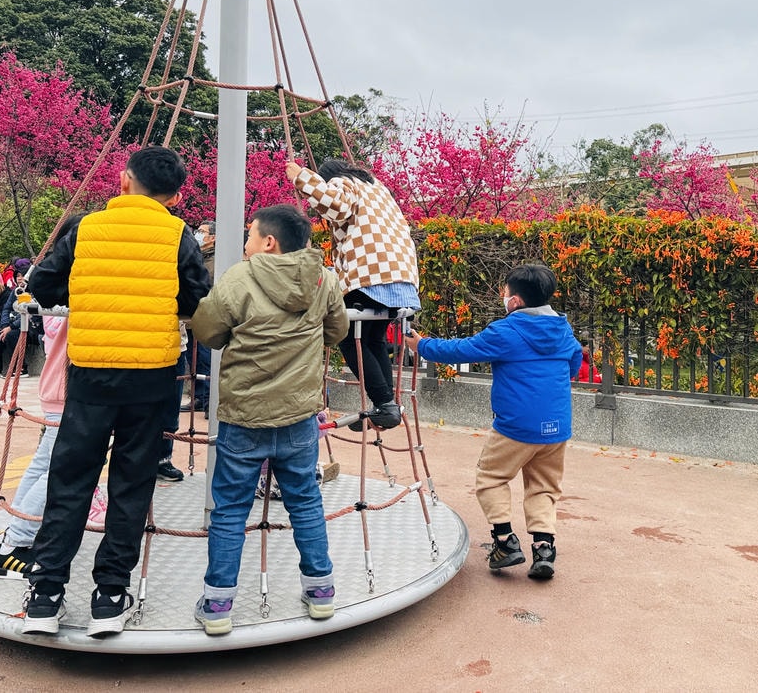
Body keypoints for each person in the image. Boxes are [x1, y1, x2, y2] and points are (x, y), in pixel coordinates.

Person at [23, 147, 211, 637]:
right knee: (131, 484)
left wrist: (87, 294)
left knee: (70, 479)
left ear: (124, 180)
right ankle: (110, 595)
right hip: (151, 377)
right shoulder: (178, 235)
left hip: (89, 374)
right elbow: (196, 298)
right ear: (174, 195)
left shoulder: (85, 227)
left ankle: (45, 593)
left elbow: (43, 285)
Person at [189, 203, 348, 634]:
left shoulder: (241, 277)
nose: (245, 244)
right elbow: (336, 332)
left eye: (249, 236)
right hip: (298, 415)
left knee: (229, 510)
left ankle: (219, 603)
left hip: (245, 417)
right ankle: (320, 590)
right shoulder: (324, 279)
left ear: (268, 242)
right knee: (305, 501)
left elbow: (207, 331)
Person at [406, 265, 582, 582]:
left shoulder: (506, 332)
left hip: (516, 426)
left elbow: (461, 349)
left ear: (514, 301)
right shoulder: (563, 330)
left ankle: (504, 541)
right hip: (557, 427)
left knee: (490, 476)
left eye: (504, 293)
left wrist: (421, 345)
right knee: (544, 486)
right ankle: (543, 548)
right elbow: (573, 365)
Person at [286, 159, 419, 431]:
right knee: (374, 338)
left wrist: (302, 177)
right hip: (401, 278)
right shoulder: (378, 190)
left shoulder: (342, 183)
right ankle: (387, 404)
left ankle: (384, 403)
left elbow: (334, 204)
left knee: (346, 335)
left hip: (371, 275)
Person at [0, 313, 69, 577]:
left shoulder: (54, 288)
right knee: (59, 470)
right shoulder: (71, 291)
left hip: (56, 385)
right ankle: (14, 545)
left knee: (43, 465)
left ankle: (15, 532)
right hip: (68, 388)